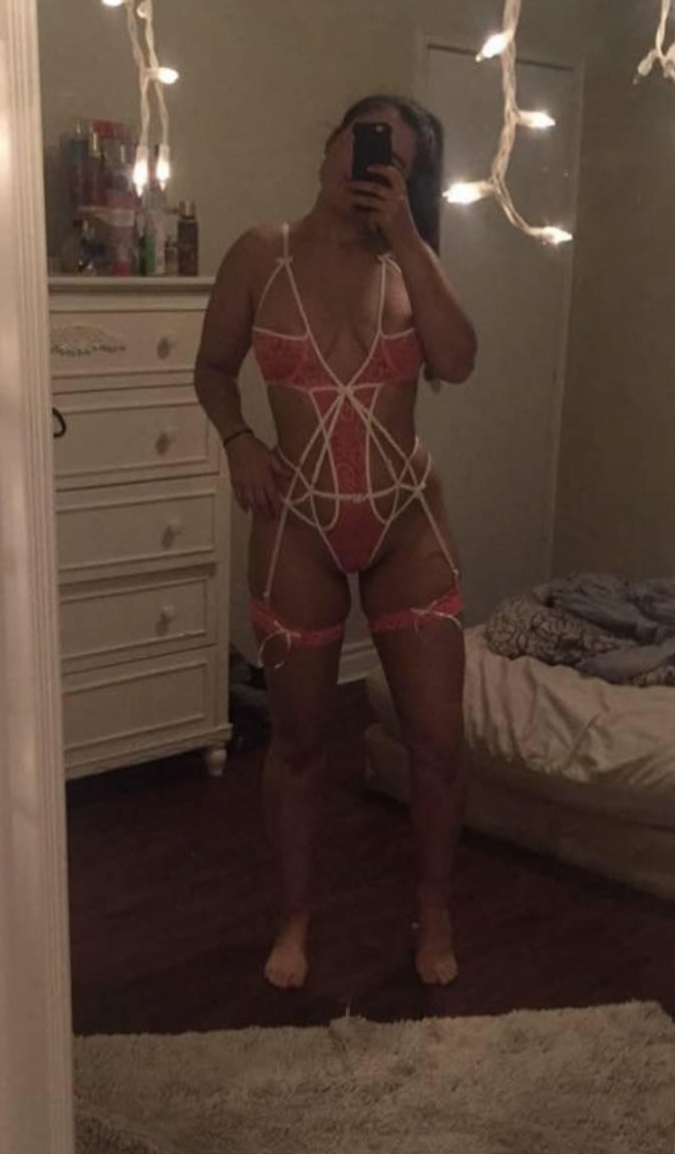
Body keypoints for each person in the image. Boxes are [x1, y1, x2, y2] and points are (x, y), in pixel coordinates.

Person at [194, 95, 477, 989]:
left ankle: (435, 909)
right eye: (362, 144)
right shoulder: (260, 254)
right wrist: (239, 440)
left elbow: (458, 361)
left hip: (406, 520)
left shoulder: (411, 265)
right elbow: (212, 368)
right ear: (329, 147)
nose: (369, 167)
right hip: (299, 524)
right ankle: (294, 918)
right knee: (299, 742)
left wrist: (412, 242)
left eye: (395, 161)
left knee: (438, 740)